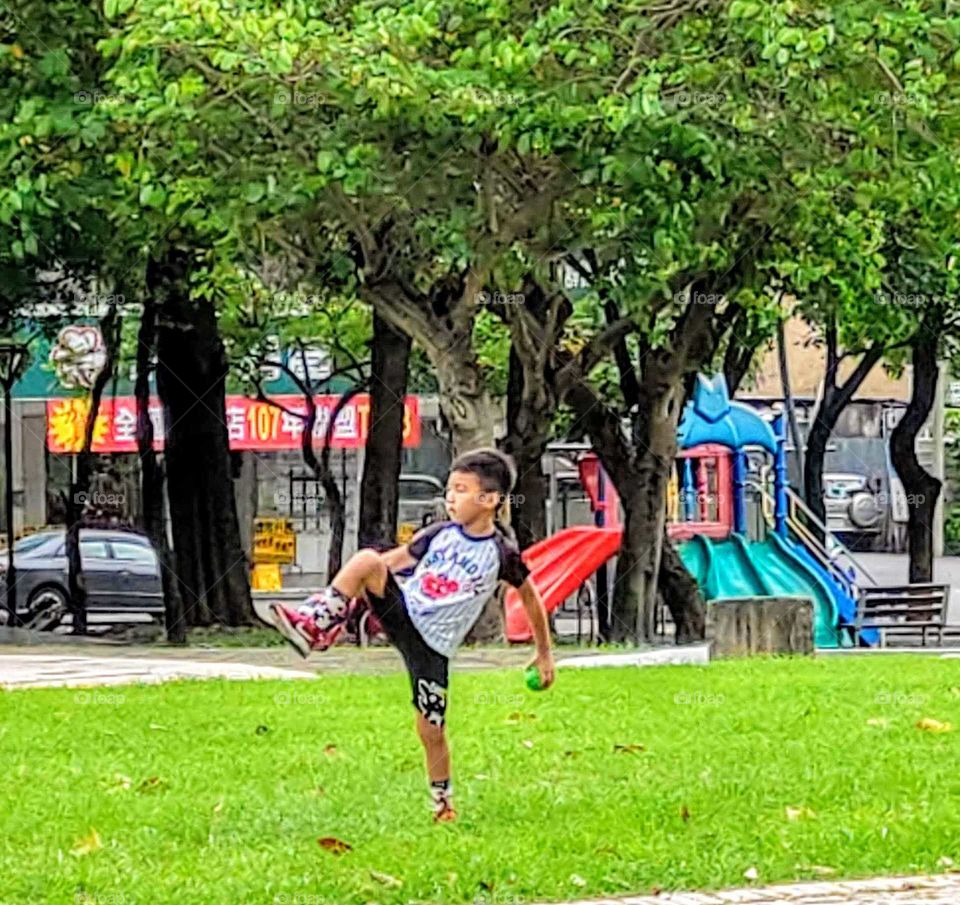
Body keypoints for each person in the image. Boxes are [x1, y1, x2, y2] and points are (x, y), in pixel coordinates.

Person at [270, 448, 556, 823]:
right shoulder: (437, 534)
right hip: (405, 612)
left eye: (460, 489)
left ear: (489, 500)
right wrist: (350, 591)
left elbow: (530, 597)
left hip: (433, 646)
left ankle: (443, 802)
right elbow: (391, 562)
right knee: (368, 560)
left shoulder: (500, 552)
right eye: (449, 489)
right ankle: (317, 623)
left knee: (431, 728)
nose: (450, 497)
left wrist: (544, 653)